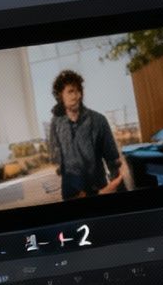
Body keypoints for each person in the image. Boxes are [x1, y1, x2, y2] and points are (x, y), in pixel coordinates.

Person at [45, 70, 123, 201]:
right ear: (60, 95)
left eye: (78, 91)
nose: (76, 96)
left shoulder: (98, 120)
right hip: (70, 188)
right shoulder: (56, 122)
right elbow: (55, 152)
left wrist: (117, 185)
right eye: (70, 91)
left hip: (96, 184)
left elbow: (112, 158)